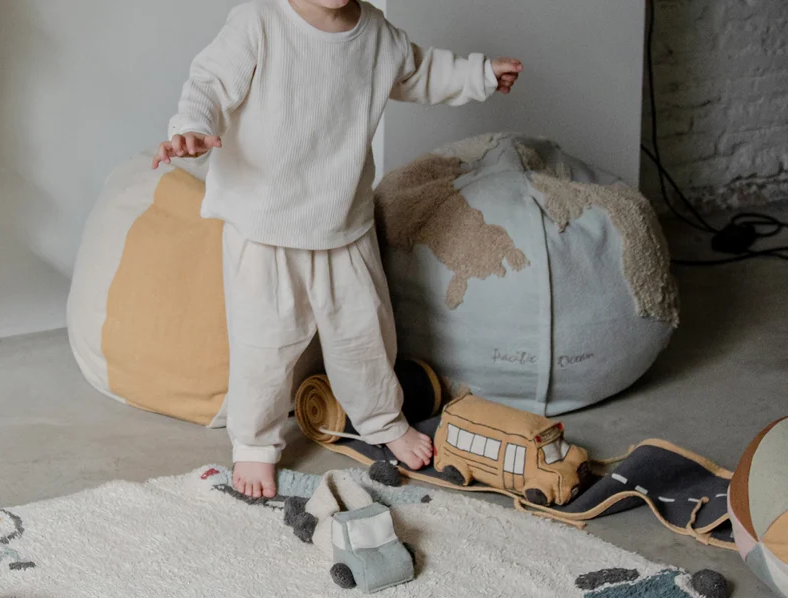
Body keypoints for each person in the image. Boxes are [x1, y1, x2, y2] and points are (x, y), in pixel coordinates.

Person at [154, 0, 522, 498]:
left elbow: (419, 71)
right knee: (264, 347)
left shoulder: (375, 33)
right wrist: (192, 126)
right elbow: (210, 83)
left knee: (365, 335)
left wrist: (480, 74)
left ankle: (383, 421)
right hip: (266, 228)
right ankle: (255, 443)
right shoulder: (259, 22)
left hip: (343, 220)